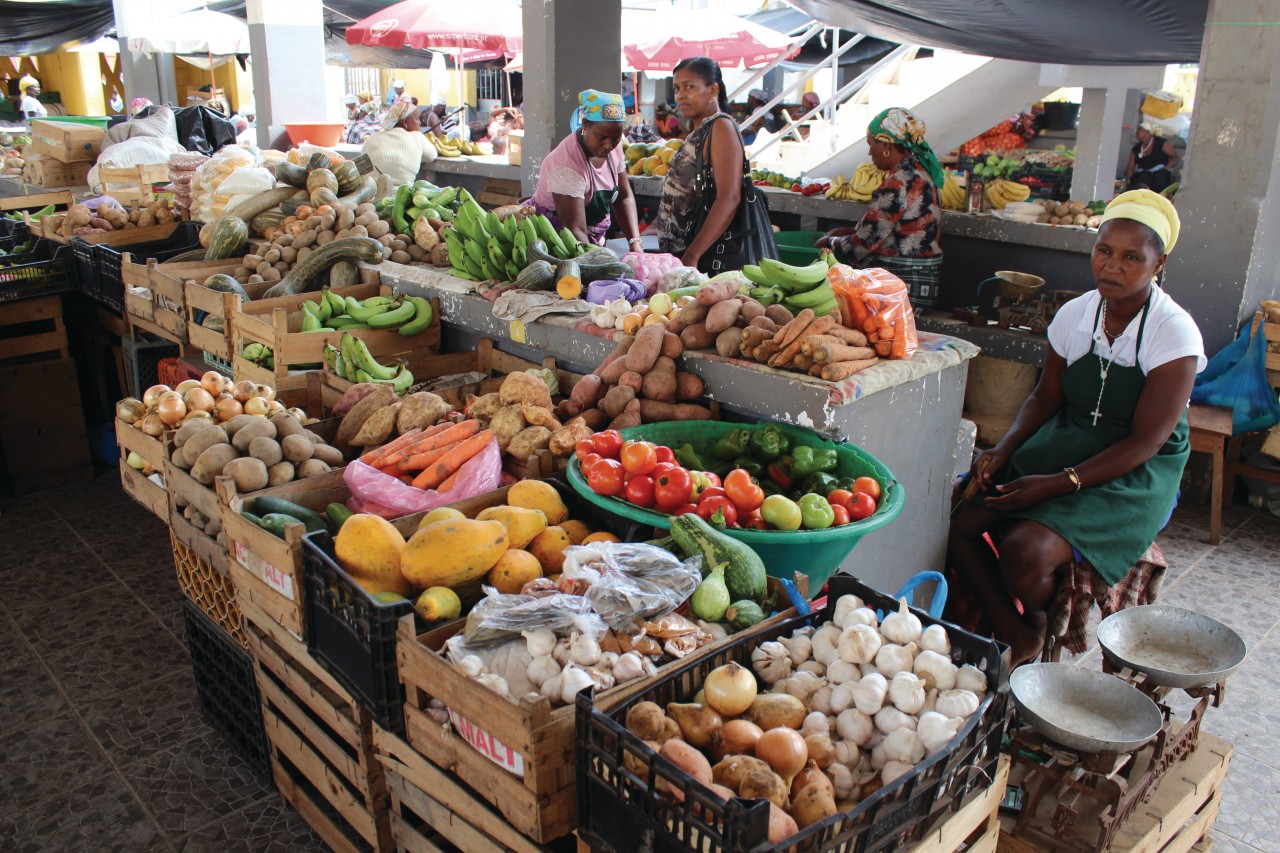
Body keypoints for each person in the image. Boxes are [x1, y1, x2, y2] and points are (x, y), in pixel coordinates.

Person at [946, 190, 1205, 666]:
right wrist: (1003, 450)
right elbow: (1046, 396)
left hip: (1136, 468)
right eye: (1104, 250)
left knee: (1026, 552)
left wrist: (1053, 485)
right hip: (1071, 437)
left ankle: (1039, 626)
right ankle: (1018, 632)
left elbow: (1146, 441)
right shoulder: (1077, 314)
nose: (1112, 266)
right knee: (962, 523)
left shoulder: (1174, 332)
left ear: (1159, 262)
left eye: (1132, 257)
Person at [655, 57, 761, 271]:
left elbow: (729, 197)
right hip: (681, 258)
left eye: (689, 87)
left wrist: (692, 255)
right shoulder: (700, 132)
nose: (680, 95)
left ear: (713, 89)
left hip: (706, 262)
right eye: (677, 88)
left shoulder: (721, 127)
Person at [815, 107, 944, 265]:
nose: (869, 152)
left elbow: (863, 244)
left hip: (901, 276)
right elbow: (889, 228)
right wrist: (850, 232)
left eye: (871, 144)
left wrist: (831, 241)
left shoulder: (897, 183)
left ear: (886, 146)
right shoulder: (922, 172)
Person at [527, 89, 643, 249]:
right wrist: (596, 262)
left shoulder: (615, 149)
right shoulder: (565, 164)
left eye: (615, 138)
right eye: (602, 138)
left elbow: (623, 197)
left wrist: (635, 243)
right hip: (556, 241)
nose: (609, 146)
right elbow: (574, 229)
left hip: (589, 239)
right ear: (586, 125)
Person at [361, 98, 437, 185]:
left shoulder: (371, 139)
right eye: (416, 118)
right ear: (405, 122)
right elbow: (432, 155)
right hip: (401, 196)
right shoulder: (417, 137)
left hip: (373, 196)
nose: (419, 122)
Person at [1126, 122, 1179, 192]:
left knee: (1160, 178)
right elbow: (1130, 168)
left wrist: (1165, 169)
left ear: (1147, 133)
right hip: (1144, 175)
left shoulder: (1161, 143)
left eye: (1139, 130)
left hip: (1159, 174)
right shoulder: (1136, 149)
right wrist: (1128, 178)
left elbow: (1175, 158)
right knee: (1140, 181)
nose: (1136, 132)